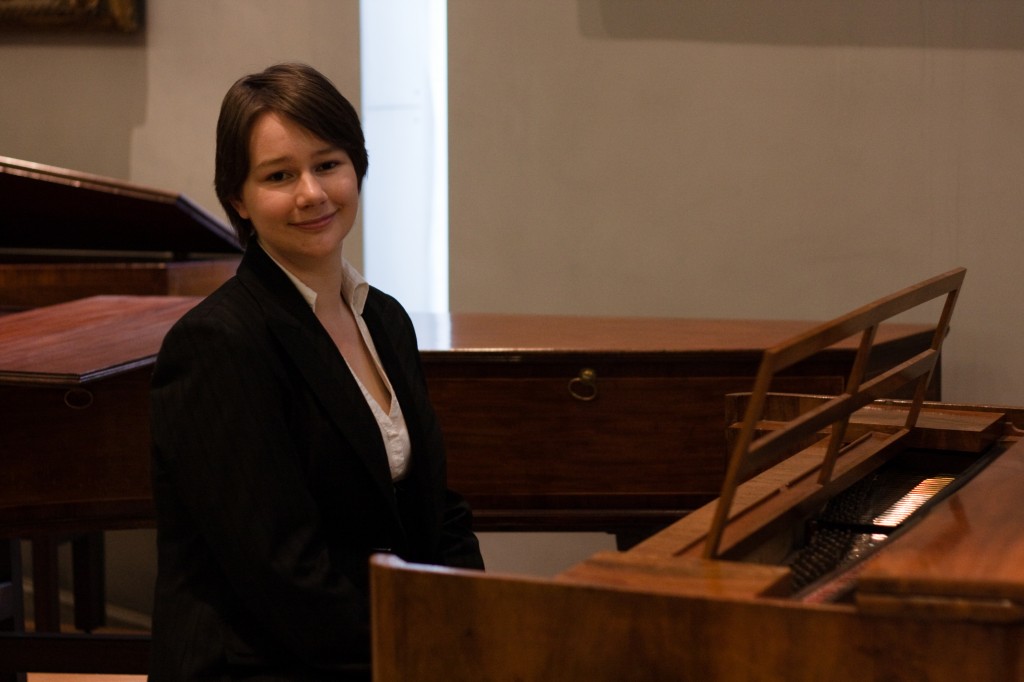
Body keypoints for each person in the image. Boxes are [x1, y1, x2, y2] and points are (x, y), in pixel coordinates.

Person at [148, 62, 484, 681]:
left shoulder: (384, 319)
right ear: (238, 201)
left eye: (327, 164)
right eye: (279, 175)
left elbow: (438, 511)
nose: (311, 193)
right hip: (261, 662)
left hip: (367, 644)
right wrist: (415, 651)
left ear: (356, 167)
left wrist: (474, 624)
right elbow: (280, 573)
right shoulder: (218, 344)